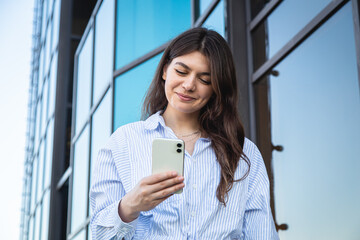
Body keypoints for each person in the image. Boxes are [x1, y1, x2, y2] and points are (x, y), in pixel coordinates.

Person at [90, 27, 279, 240]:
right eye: (181, 71)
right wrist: (130, 206)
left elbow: (262, 234)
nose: (189, 85)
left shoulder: (244, 152)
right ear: (164, 71)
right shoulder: (123, 142)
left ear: (217, 87)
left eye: (205, 79)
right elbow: (99, 234)